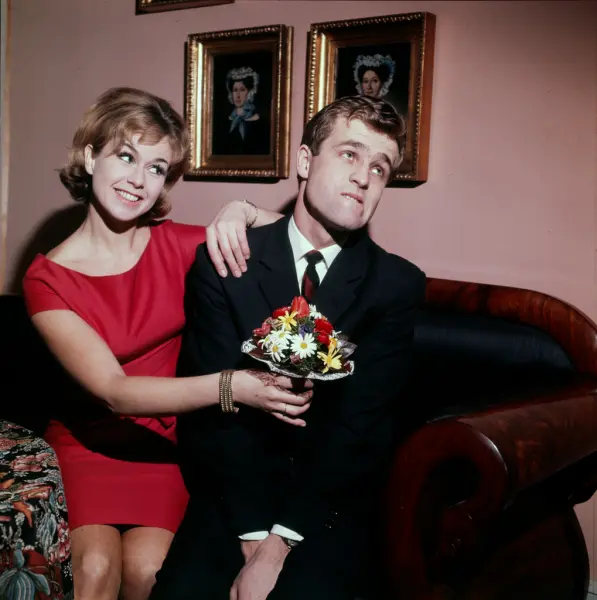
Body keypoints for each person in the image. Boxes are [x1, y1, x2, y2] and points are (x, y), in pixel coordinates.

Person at [21, 87, 310, 600]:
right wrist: (233, 387)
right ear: (90, 157)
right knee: (93, 569)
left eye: (156, 167)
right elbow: (114, 391)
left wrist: (240, 211)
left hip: (166, 449)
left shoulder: (178, 245)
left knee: (147, 568)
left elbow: (294, 234)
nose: (138, 179)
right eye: (125, 156)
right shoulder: (47, 278)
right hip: (87, 448)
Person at [151, 95, 426, 600]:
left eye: (379, 168)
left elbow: (359, 430)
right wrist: (252, 537)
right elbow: (209, 416)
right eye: (349, 154)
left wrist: (277, 548)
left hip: (325, 507)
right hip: (230, 496)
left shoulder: (395, 285)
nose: (363, 177)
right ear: (304, 161)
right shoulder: (226, 261)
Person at [212, 66, 270, 156]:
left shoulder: (260, 123)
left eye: (242, 90)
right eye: (235, 90)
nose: (238, 95)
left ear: (249, 92)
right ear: (231, 93)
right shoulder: (224, 123)